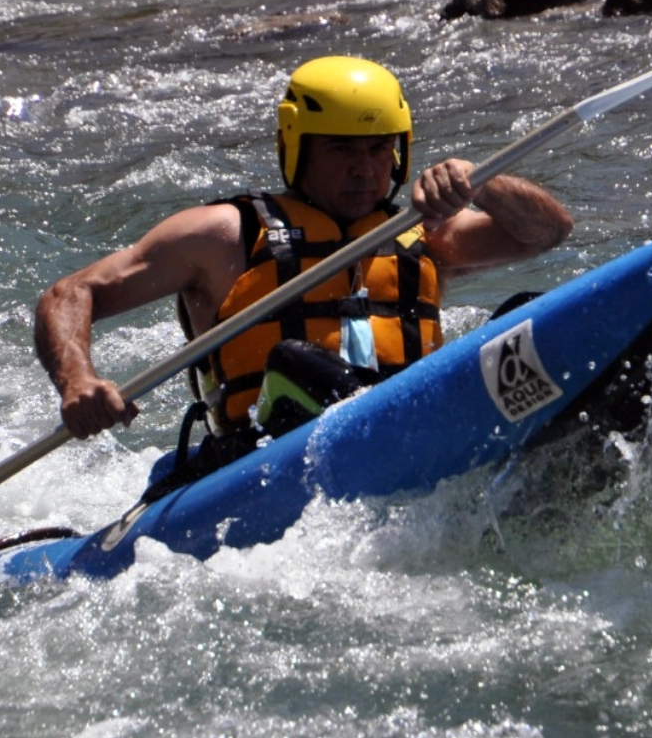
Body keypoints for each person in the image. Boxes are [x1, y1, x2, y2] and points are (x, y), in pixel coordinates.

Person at [34, 56, 574, 484]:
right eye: (342, 150)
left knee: (529, 319)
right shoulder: (223, 236)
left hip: (421, 431)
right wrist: (77, 378)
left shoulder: (428, 234)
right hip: (268, 456)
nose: (364, 169)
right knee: (298, 364)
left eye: (379, 149)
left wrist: (482, 183)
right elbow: (71, 293)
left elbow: (547, 232)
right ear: (297, 147)